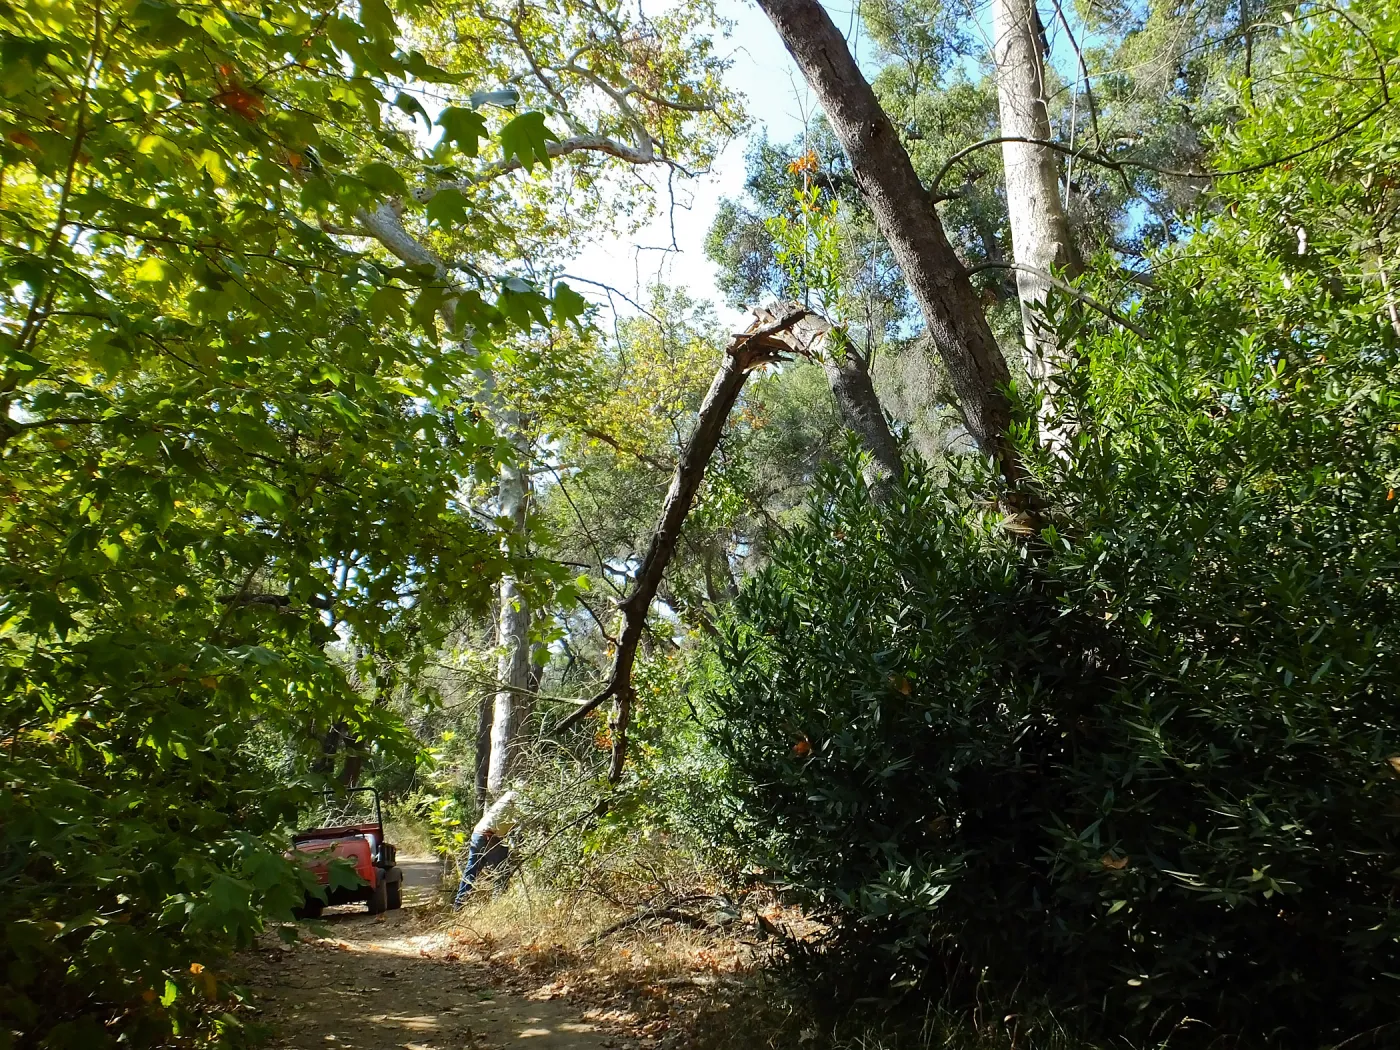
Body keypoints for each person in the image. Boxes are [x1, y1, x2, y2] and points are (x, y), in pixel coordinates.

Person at [453, 789, 517, 909]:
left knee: (471, 871)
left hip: (478, 834)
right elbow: (522, 824)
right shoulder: (519, 801)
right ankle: (498, 906)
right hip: (490, 837)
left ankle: (459, 904)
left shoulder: (506, 798)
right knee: (502, 871)